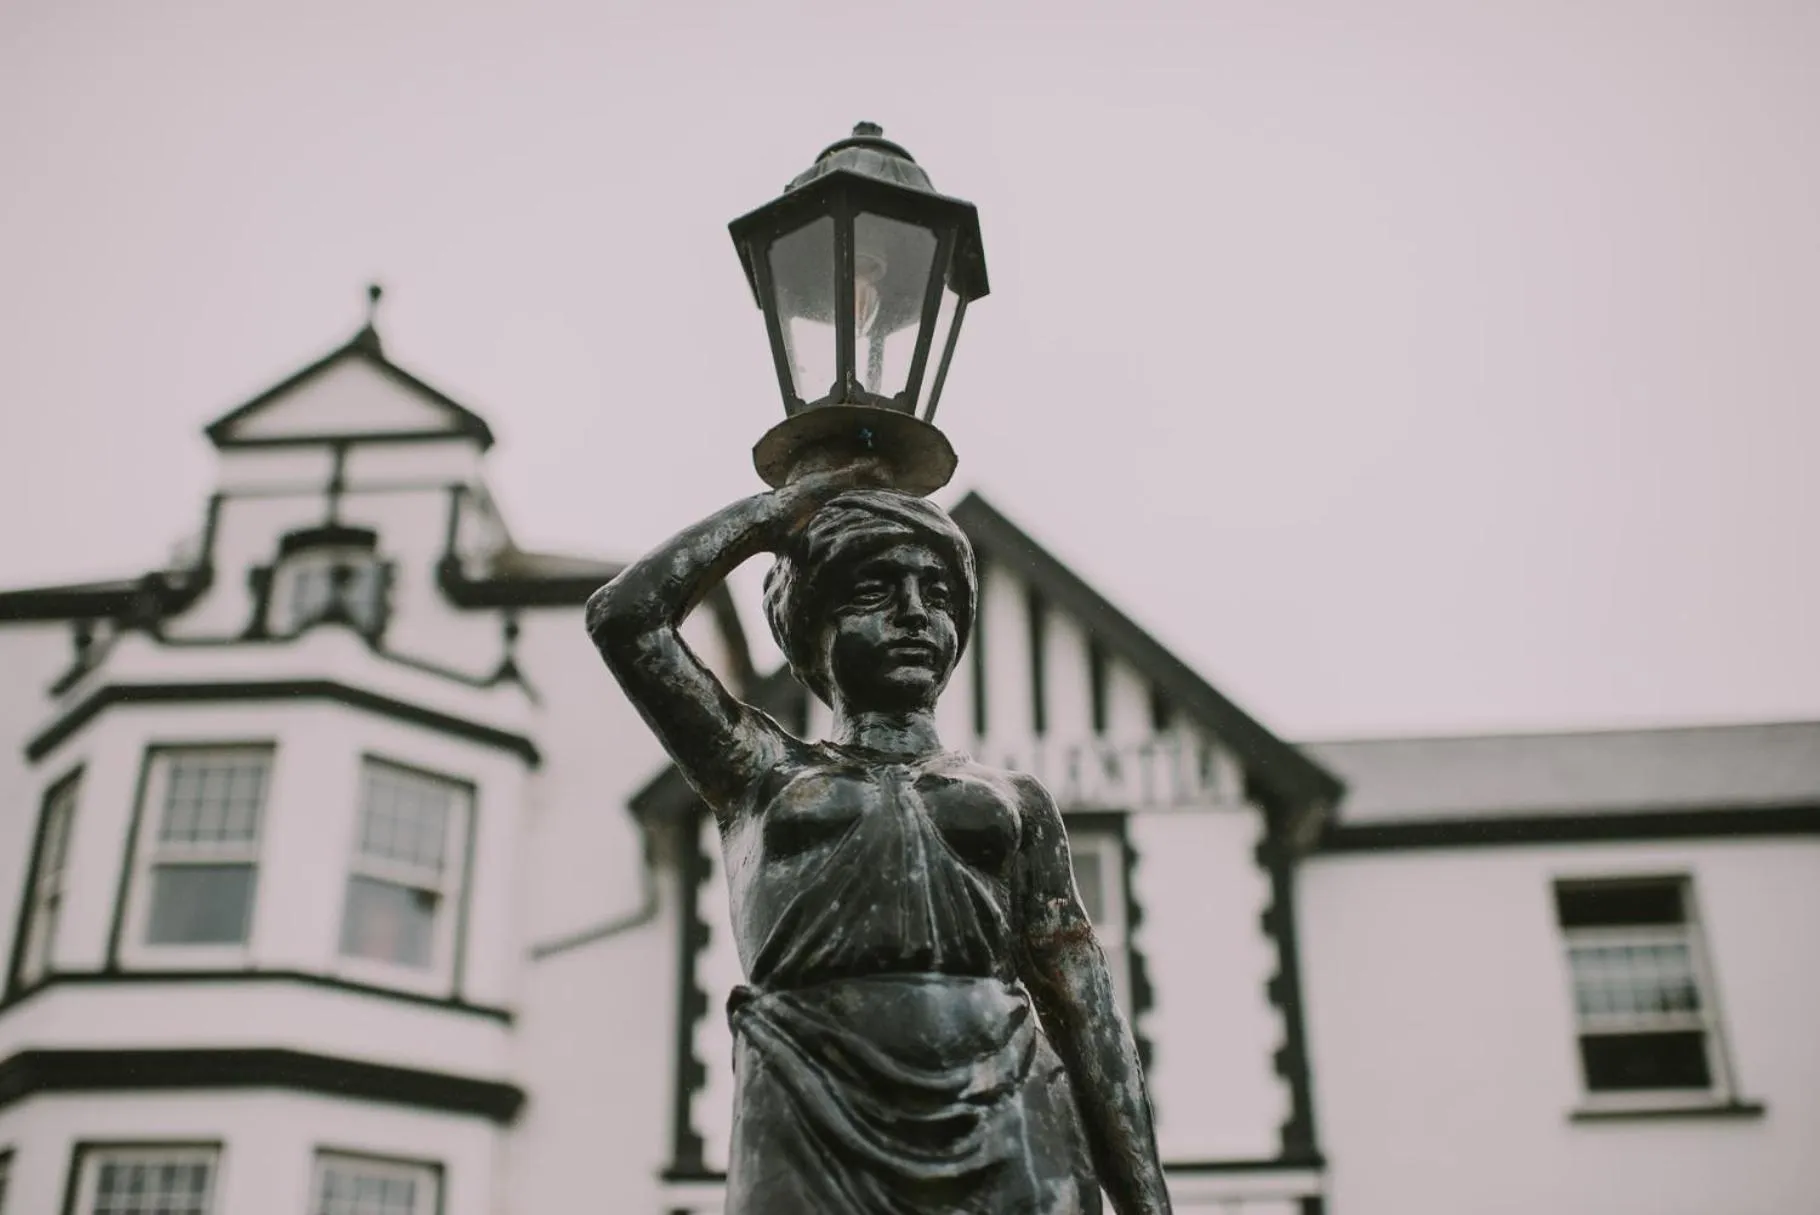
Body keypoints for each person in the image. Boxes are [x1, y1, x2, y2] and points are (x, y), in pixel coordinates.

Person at [587, 465, 1172, 1214]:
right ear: (812, 622)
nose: (913, 613)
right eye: (873, 590)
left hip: (1010, 1109)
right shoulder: (758, 771)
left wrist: (1149, 1207)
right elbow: (626, 618)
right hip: (810, 1100)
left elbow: (1089, 1015)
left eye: (937, 594)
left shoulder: (1016, 800)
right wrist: (774, 517)